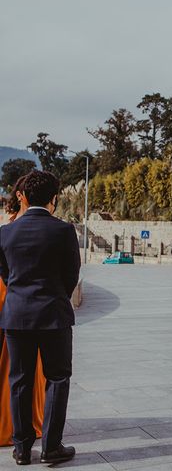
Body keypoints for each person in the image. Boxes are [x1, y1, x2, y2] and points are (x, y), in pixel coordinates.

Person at [0, 170, 81, 465]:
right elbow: (72, 273)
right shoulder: (64, 231)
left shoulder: (6, 232)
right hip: (54, 315)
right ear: (54, 198)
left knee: (19, 381)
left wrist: (21, 296)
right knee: (58, 378)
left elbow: (6, 274)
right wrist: (55, 296)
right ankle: (51, 446)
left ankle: (22, 449)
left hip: (16, 316)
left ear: (24, 196)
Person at [0, 176, 46, 450]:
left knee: (13, 368)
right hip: (16, 302)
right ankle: (23, 422)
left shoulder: (8, 230)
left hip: (10, 298)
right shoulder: (23, 228)